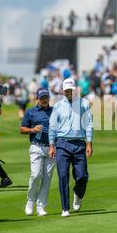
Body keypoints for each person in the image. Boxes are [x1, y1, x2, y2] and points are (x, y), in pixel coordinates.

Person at [49, 78, 93, 217]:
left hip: (79, 143)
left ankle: (78, 194)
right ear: (63, 90)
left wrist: (89, 142)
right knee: (63, 176)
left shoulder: (84, 104)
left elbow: (89, 124)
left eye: (71, 90)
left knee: (82, 176)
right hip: (62, 144)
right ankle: (65, 208)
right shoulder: (57, 106)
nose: (68, 92)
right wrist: (51, 145)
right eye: (66, 90)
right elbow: (52, 127)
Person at [20, 88, 54, 217]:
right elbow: (22, 129)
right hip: (36, 147)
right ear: (37, 98)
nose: (44, 100)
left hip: (51, 147)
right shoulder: (30, 112)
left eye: (46, 97)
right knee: (35, 175)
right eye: (42, 97)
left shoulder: (54, 111)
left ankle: (41, 206)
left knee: (47, 179)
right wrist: (33, 129)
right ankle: (30, 201)